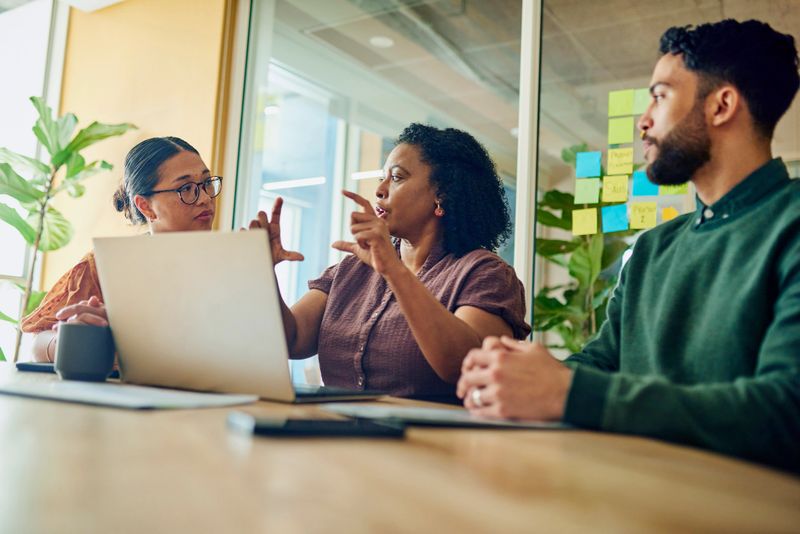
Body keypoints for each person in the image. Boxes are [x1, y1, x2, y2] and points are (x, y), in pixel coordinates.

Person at [457, 19, 800, 472]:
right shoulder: (655, 247)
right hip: (633, 490)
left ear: (721, 105)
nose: (643, 121)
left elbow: (785, 411)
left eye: (659, 95)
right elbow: (603, 361)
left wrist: (568, 393)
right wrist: (521, 374)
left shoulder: (790, 223)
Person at [251, 123, 530, 401]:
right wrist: (262, 273)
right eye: (382, 178)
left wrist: (393, 271)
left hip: (433, 442)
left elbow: (463, 367)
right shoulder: (351, 269)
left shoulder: (485, 274)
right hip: (338, 435)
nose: (380, 190)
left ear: (441, 194)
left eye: (397, 177)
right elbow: (293, 339)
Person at [21, 136, 222, 362]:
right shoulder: (104, 265)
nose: (205, 198)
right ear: (146, 206)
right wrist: (73, 339)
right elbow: (38, 343)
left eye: (207, 183)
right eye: (185, 188)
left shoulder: (232, 261)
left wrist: (264, 268)